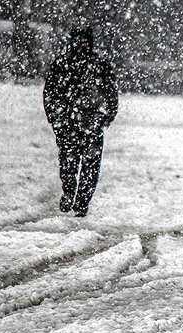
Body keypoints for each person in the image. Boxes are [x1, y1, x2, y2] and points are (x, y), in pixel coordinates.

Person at [43, 26, 118, 217]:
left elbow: (111, 96)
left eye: (84, 43)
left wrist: (103, 119)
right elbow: (50, 94)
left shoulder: (100, 66)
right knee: (68, 163)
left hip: (91, 125)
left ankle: (82, 202)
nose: (81, 47)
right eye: (78, 42)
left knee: (90, 167)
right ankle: (69, 193)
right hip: (68, 124)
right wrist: (56, 118)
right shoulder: (62, 65)